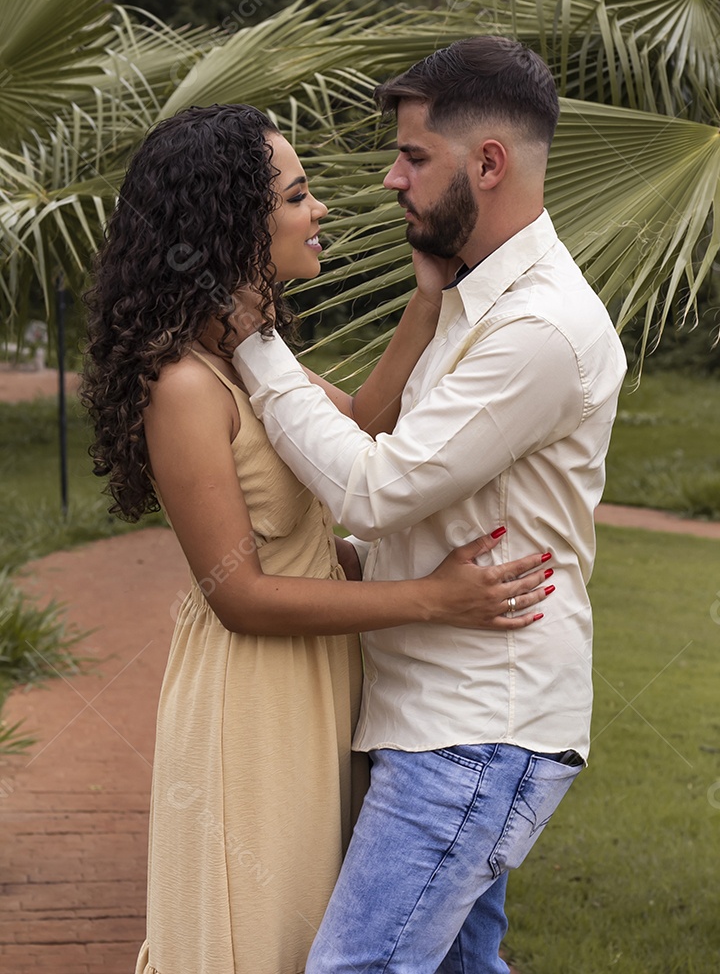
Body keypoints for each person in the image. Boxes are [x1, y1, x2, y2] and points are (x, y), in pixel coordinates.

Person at [80, 102, 554, 974]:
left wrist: (427, 299)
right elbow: (239, 594)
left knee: (324, 929)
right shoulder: (185, 382)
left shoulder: (252, 354)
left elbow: (365, 433)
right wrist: (433, 599)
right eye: (298, 196)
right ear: (235, 224)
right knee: (262, 928)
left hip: (319, 670)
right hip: (255, 688)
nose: (320, 210)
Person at [225, 37, 629, 972]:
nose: (388, 178)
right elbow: (378, 449)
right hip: (447, 723)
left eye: (413, 157)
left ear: (487, 164)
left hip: (476, 730)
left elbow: (374, 489)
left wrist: (253, 341)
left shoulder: (539, 329)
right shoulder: (471, 297)